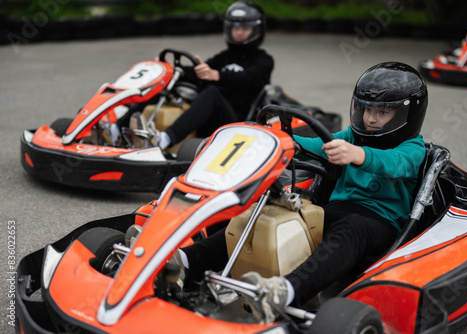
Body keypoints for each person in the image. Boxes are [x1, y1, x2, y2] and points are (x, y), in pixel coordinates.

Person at [169, 62, 428, 323]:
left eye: (383, 112)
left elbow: (394, 163)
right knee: (267, 216)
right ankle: (184, 261)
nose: (371, 119)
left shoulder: (412, 148)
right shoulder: (353, 136)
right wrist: (282, 142)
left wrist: (358, 154)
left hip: (380, 223)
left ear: (408, 114)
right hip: (334, 212)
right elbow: (315, 145)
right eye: (368, 109)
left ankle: (284, 292)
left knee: (351, 228)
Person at [106, 1, 274, 149]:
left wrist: (218, 76)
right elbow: (198, 73)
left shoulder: (264, 60)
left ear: (257, 30)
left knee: (212, 93)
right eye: (235, 27)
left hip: (235, 123)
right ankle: (116, 129)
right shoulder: (223, 57)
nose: (238, 32)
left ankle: (164, 139)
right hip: (207, 116)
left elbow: (249, 80)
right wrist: (172, 70)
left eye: (244, 28)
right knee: (167, 83)